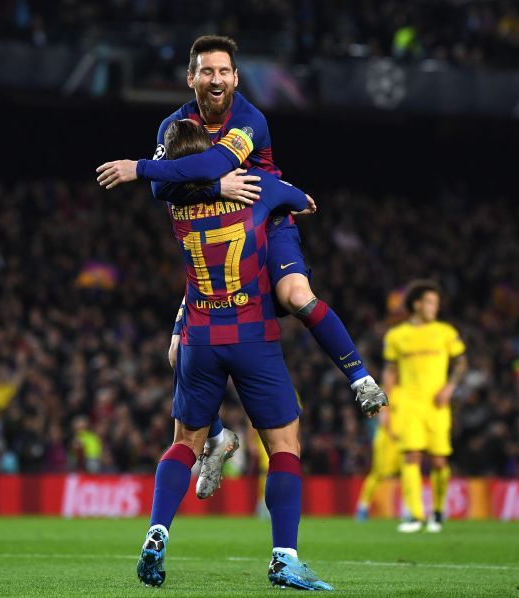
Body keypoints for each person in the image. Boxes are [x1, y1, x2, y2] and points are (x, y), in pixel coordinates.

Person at [96, 35, 386, 496]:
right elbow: (163, 192)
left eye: (224, 72)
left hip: (266, 221)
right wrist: (215, 189)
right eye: (207, 71)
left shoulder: (249, 118)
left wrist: (140, 167)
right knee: (178, 353)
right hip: (217, 237)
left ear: (235, 78)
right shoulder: (173, 125)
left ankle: (360, 377)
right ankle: (217, 438)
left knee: (295, 296)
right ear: (191, 77)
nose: (216, 80)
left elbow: (211, 163)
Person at [133, 119, 385, 590]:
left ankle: (157, 530)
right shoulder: (255, 187)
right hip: (250, 333)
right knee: (284, 448)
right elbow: (301, 199)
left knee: (184, 444)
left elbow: (169, 179)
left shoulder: (173, 202)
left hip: (199, 334)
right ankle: (284, 558)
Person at [383, 280, 467, 533]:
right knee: (411, 456)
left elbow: (461, 363)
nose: (435, 307)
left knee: (439, 460)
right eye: (431, 302)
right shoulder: (396, 336)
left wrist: (450, 386)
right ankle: (416, 516)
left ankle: (438, 512)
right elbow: (390, 372)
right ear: (417, 304)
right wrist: (385, 408)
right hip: (408, 403)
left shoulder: (445, 332)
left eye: (436, 303)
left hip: (437, 405)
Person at [354, 403, 402, 520]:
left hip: (403, 438)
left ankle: (409, 511)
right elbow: (383, 417)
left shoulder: (407, 391)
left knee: (406, 472)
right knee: (378, 474)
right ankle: (362, 508)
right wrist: (392, 432)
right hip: (387, 439)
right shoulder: (387, 392)